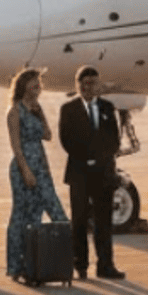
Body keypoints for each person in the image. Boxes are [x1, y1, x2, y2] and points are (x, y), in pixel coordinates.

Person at [59, 66, 126, 281]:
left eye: (93, 83)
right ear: (78, 86)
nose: (89, 88)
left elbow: (114, 139)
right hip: (79, 172)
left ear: (99, 85)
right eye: (84, 84)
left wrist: (99, 159)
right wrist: (87, 158)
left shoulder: (108, 107)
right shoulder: (68, 109)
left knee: (103, 221)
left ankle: (106, 265)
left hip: (103, 172)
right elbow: (66, 140)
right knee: (79, 221)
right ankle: (80, 265)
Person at [6, 69, 68, 283]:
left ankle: (53, 261)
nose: (37, 89)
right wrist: (25, 170)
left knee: (51, 209)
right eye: (33, 86)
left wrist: (40, 113)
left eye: (38, 86)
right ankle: (17, 264)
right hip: (24, 166)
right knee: (22, 215)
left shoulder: (35, 109)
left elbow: (48, 135)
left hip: (41, 165)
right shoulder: (15, 112)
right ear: (24, 87)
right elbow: (15, 145)